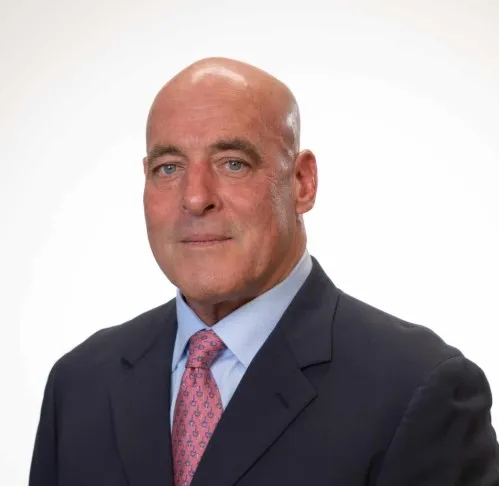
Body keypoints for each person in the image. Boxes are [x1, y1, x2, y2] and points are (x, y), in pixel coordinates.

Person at [29, 57, 499, 486]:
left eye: (233, 163)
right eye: (169, 168)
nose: (195, 197)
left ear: (302, 183)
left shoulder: (418, 388)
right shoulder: (80, 384)